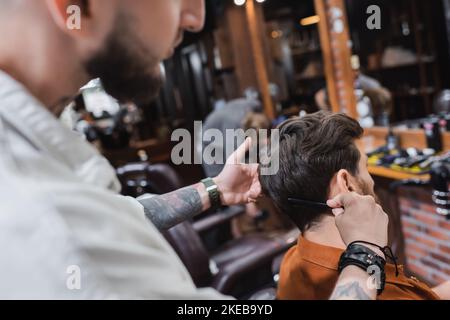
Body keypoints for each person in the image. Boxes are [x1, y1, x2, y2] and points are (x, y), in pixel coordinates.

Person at [0, 0, 387, 299]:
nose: (195, 19)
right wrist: (365, 254)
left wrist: (215, 188)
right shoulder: (49, 218)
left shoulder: (42, 161)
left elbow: (126, 214)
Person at [260, 111, 450, 300]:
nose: (372, 181)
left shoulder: (293, 261)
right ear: (347, 183)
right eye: (365, 167)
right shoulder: (382, 290)